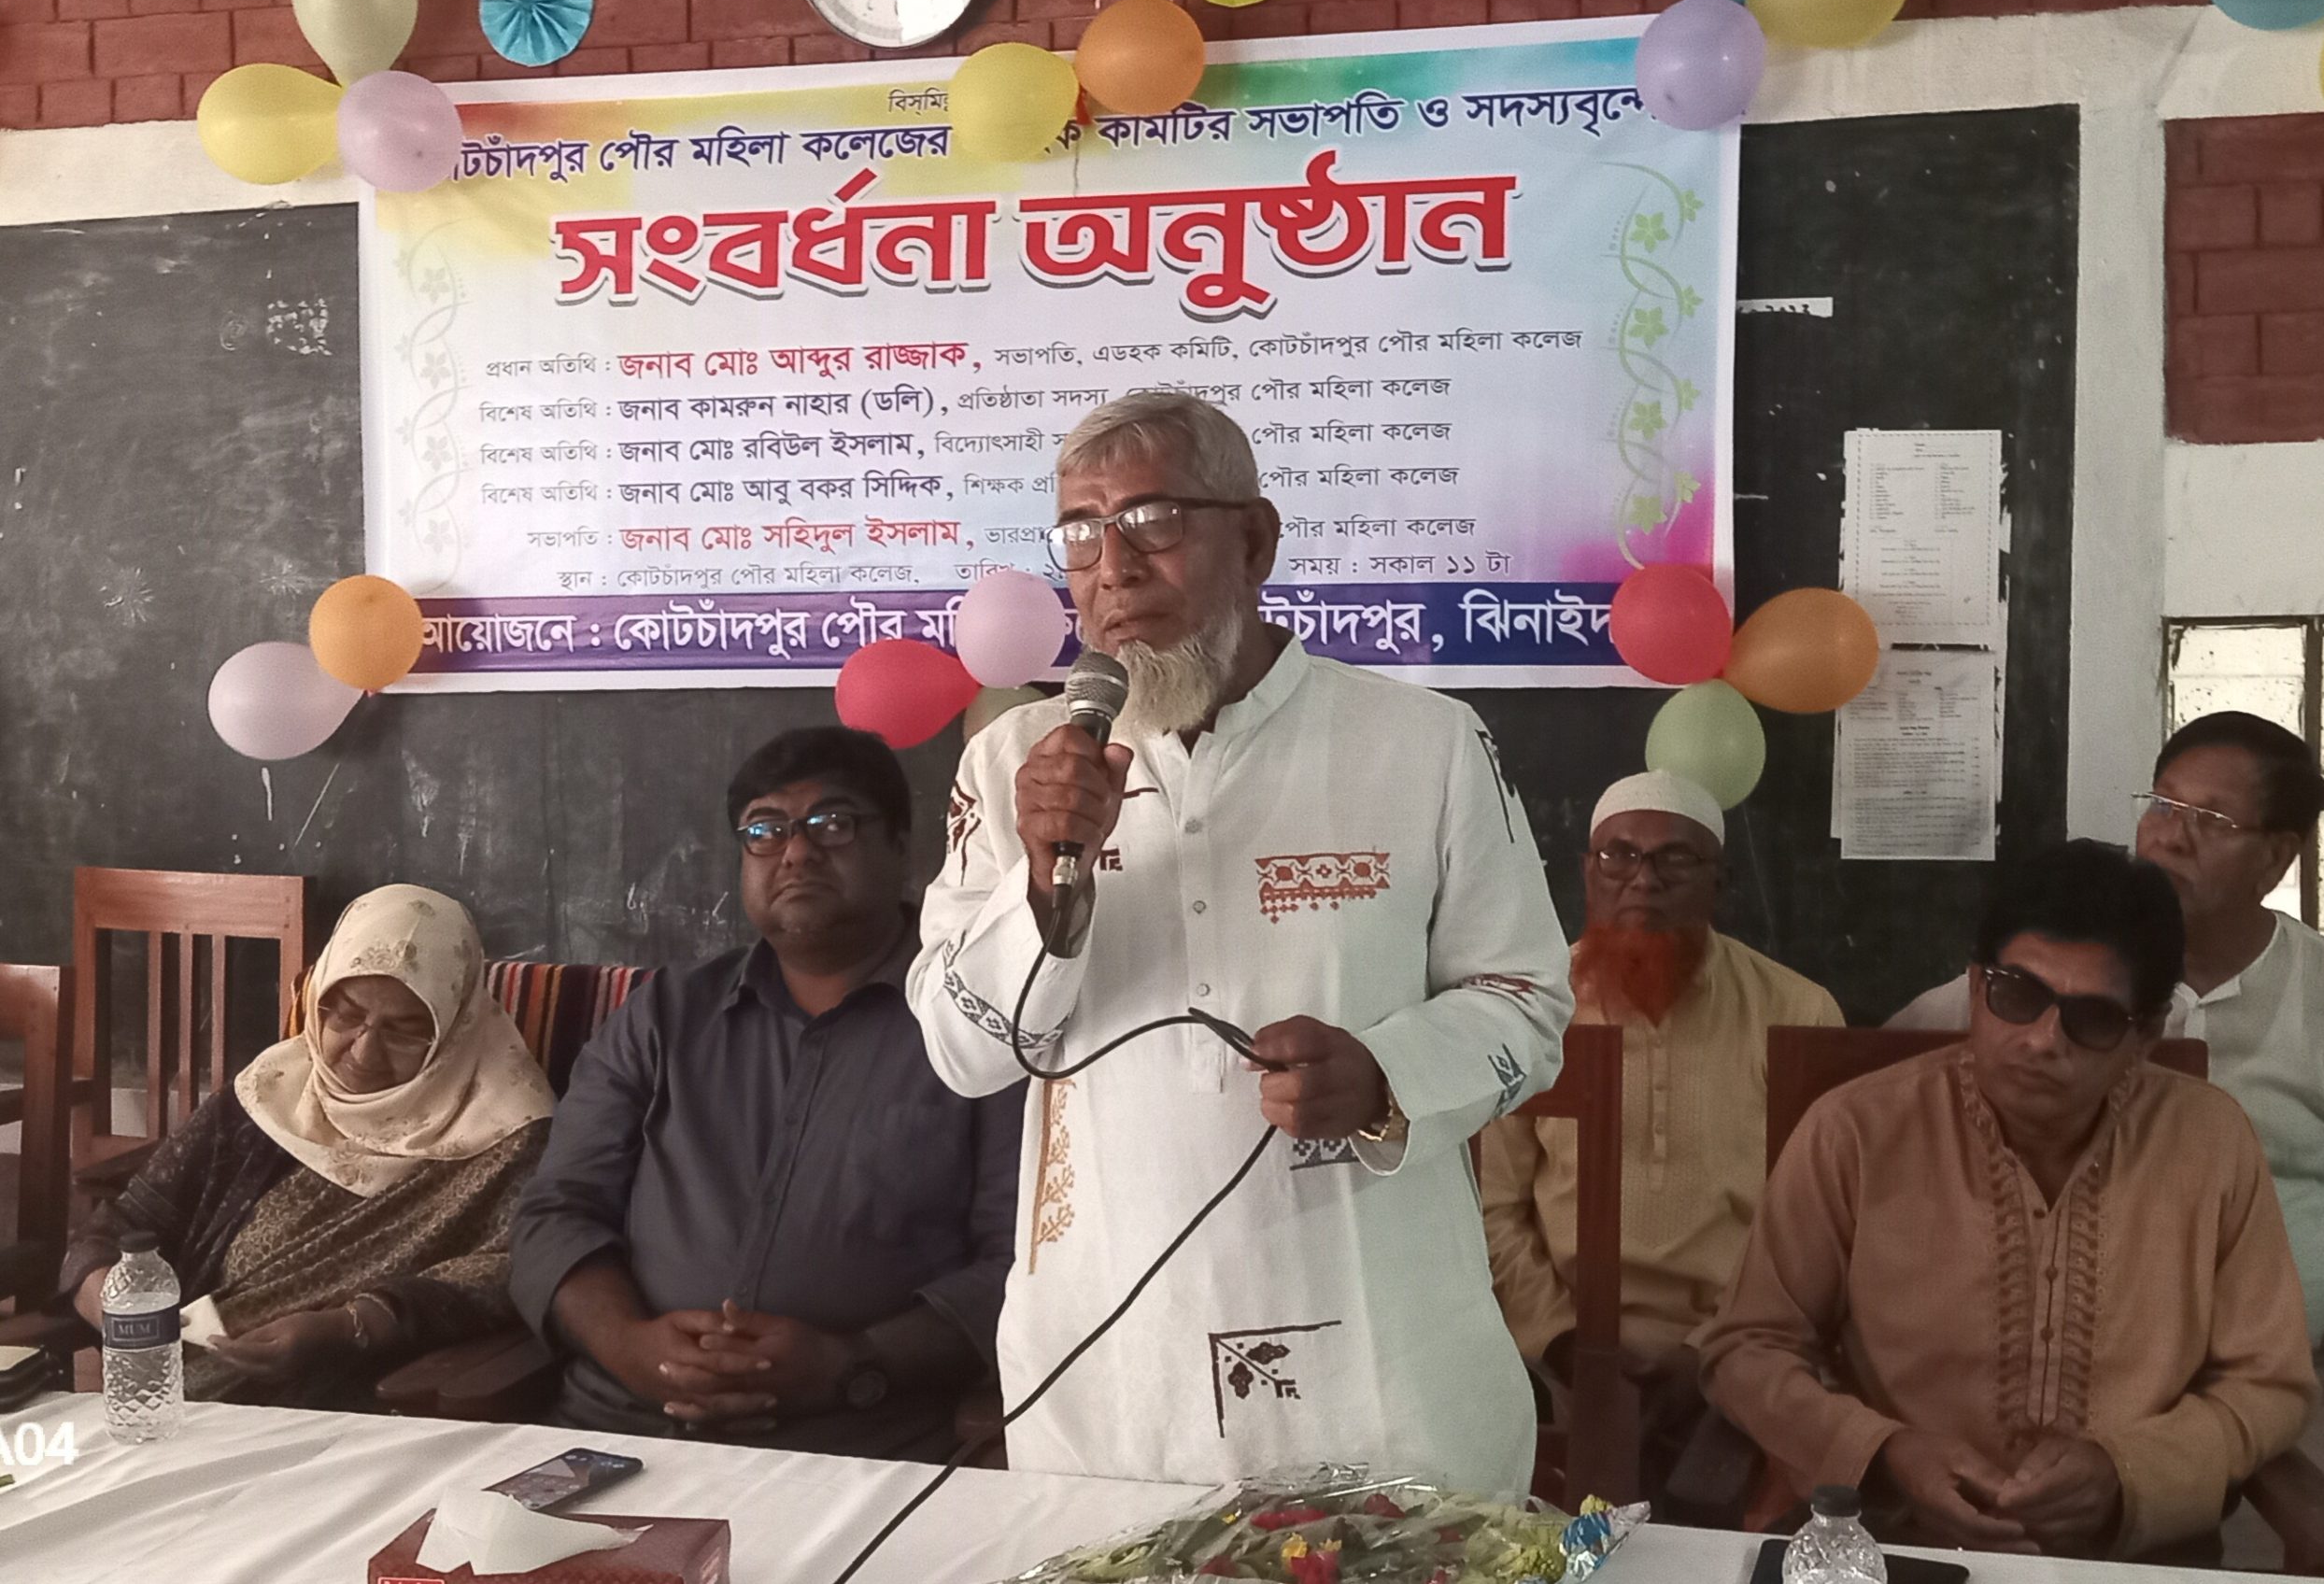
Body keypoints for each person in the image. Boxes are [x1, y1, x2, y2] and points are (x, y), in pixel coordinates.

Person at [909, 390, 1570, 1492]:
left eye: (1152, 520)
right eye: (1081, 533)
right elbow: (964, 1051)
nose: (1113, 568)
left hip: (1381, 1357)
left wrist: (1385, 1074)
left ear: (1255, 540)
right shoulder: (1013, 762)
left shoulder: (1425, 743)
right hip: (1116, 1373)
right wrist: (1042, 882)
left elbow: (1528, 1003)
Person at [1699, 842, 2316, 1560]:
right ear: (1974, 987)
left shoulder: (2211, 1141)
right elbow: (1747, 1346)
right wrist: (1886, 1452)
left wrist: (2127, 1472)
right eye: (2017, 995)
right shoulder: (1857, 1132)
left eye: (2091, 1018)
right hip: (1898, 1549)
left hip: (2127, 1562)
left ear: (2144, 1035)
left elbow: (2270, 1382)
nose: (2042, 1041)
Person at [1887, 712, 2324, 1525]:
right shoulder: (2043, 981)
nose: (2169, 836)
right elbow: (1884, 1088)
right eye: (2162, 803)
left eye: (2211, 820)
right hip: (2056, 1390)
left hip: (2286, 1404)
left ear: (2277, 857)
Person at [509, 727, 1021, 1458]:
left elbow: (1021, 1263)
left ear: (902, 846)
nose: (797, 851)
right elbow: (556, 1212)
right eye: (764, 829)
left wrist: (851, 1363)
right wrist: (631, 1346)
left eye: (833, 823)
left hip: (861, 1446)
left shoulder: (981, 1024)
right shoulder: (662, 1019)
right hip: (615, 1427)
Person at [59, 884, 554, 1407]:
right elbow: (128, 1223)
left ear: (455, 1027)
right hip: (175, 1391)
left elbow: (519, 1266)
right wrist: (111, 1300)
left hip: (360, 1402)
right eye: (346, 1015)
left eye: (405, 1031)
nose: (364, 1052)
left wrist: (351, 1327)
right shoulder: (273, 1090)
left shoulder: (508, 1131)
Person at [1479, 770, 1839, 1484]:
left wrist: (1713, 1350)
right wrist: (1568, 1347)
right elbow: (1491, 1210)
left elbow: (1819, 1224)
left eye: (1676, 858)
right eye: (1620, 855)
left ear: (1720, 880)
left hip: (1754, 1353)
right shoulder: (1526, 1015)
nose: (1644, 879)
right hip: (1556, 1360)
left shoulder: (1797, 1011)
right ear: (1588, 872)